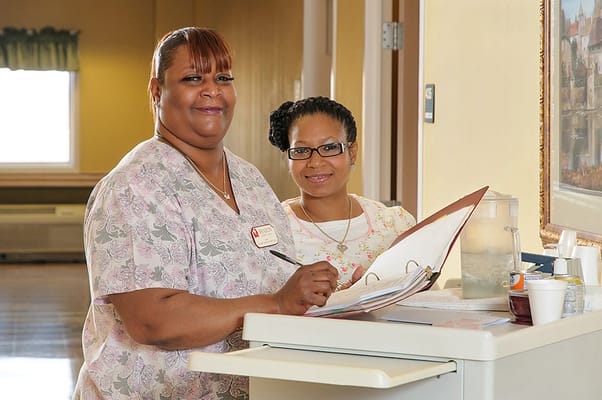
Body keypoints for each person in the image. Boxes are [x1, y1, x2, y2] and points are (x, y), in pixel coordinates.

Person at [72, 27, 339, 400]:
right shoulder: (136, 186)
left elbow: (272, 273)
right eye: (193, 78)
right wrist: (276, 303)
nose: (212, 90)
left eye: (223, 78)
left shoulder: (249, 178)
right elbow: (154, 318)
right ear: (156, 91)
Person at [268, 96, 416, 287]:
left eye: (330, 147)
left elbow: (424, 298)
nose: (315, 162)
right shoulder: (272, 231)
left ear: (352, 153)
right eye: (301, 150)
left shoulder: (394, 225)